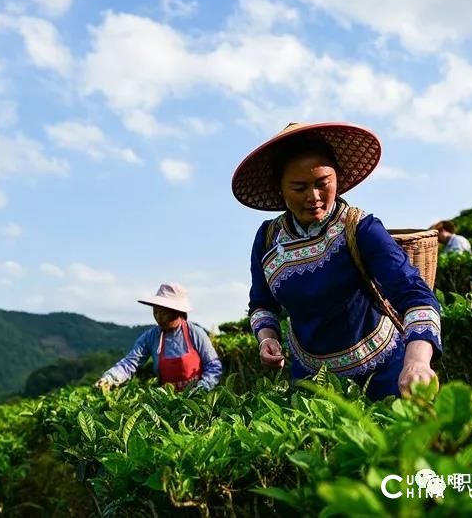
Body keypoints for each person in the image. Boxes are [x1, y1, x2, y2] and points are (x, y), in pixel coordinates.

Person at [231, 122, 442, 400]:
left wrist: (416, 360)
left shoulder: (360, 227)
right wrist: (267, 338)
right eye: (299, 187)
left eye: (322, 184)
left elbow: (413, 293)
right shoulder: (268, 239)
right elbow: (261, 304)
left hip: (380, 373)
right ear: (280, 189)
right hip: (310, 381)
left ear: (337, 179)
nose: (314, 197)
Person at [94, 283, 222, 392]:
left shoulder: (195, 333)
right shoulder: (150, 337)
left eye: (164, 313)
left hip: (198, 401)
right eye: (155, 312)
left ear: (177, 312)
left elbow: (213, 365)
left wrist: (201, 389)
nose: (158, 317)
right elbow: (129, 363)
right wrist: (109, 379)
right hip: (167, 404)